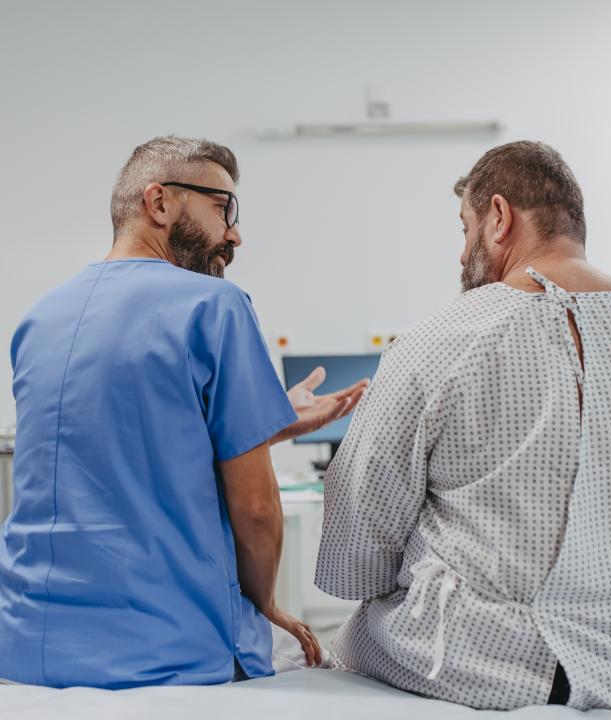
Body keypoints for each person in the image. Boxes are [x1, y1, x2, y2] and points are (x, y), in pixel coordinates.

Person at [315, 141, 611, 711]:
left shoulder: (442, 340)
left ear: (499, 217)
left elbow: (354, 553)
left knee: (353, 632)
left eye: (465, 229)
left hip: (504, 666)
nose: (462, 255)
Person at [0, 136, 367, 688]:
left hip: (26, 643)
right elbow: (258, 508)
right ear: (160, 201)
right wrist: (263, 603)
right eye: (223, 207)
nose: (234, 233)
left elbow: (124, 440)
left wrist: (269, 422)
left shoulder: (40, 316)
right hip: (164, 647)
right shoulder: (214, 305)